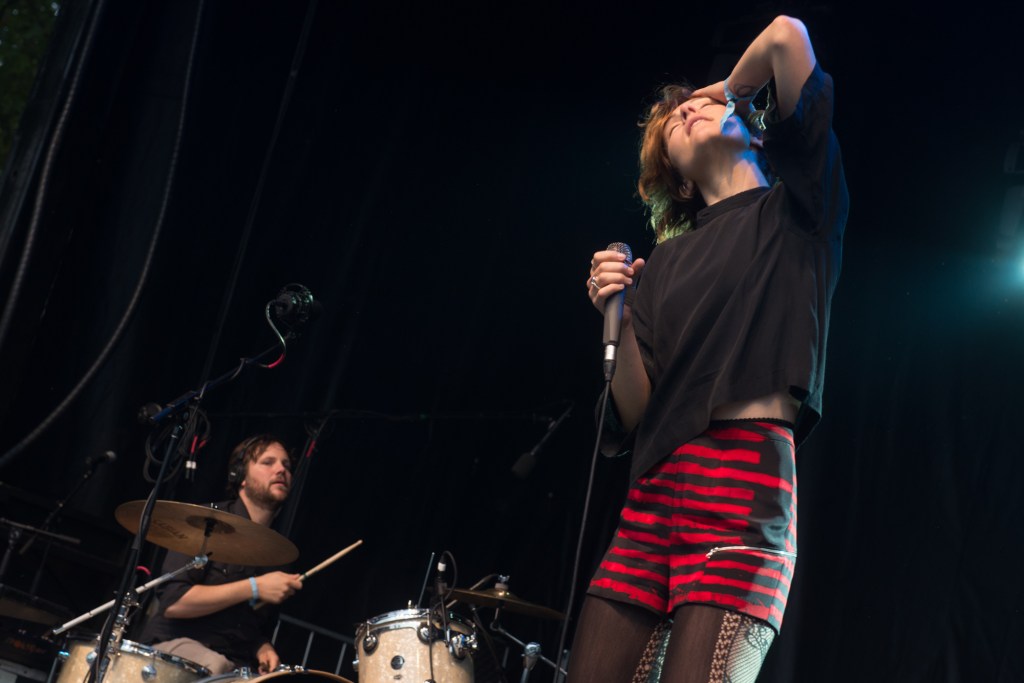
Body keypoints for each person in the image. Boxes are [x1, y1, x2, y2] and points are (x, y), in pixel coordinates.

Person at [569, 15, 847, 683]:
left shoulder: (799, 206)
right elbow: (632, 407)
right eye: (672, 126)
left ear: (750, 123)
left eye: (699, 105)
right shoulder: (664, 265)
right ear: (681, 182)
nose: (687, 111)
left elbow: (785, 34)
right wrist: (616, 309)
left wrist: (730, 90)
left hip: (744, 485)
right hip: (654, 495)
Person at [139, 435, 303, 675]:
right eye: (268, 462)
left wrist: (261, 645)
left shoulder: (279, 554)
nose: (281, 469)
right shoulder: (205, 524)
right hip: (173, 649)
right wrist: (254, 587)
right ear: (240, 477)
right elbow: (174, 603)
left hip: (235, 664)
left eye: (286, 466)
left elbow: (251, 626)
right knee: (218, 667)